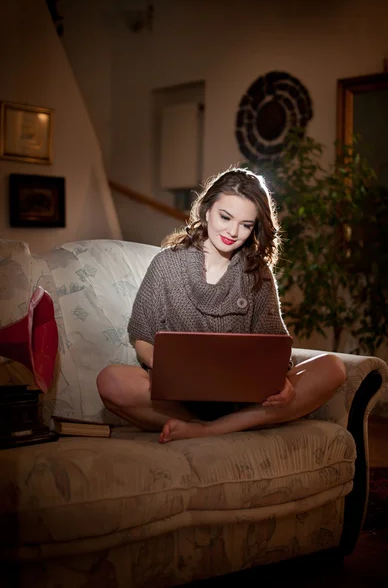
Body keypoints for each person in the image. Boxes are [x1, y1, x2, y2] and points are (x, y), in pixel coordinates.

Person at [97, 167, 346, 444]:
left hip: (244, 398)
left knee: (333, 367)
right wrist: (169, 368)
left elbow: (274, 344)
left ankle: (209, 429)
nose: (232, 231)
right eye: (225, 217)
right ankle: (215, 425)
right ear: (206, 211)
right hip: (180, 398)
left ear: (255, 228)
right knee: (111, 381)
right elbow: (142, 338)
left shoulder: (257, 273)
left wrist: (279, 380)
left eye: (246, 224)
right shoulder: (166, 265)